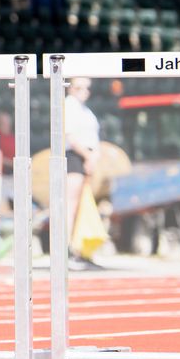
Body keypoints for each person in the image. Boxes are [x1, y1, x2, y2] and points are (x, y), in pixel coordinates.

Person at [62, 76, 102, 268]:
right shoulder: (69, 106)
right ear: (70, 88)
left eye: (87, 88)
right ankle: (66, 251)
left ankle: (80, 249)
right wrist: (87, 156)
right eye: (79, 88)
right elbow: (70, 136)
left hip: (86, 158)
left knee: (82, 205)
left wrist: (92, 157)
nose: (84, 91)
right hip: (75, 157)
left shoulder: (85, 110)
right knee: (71, 205)